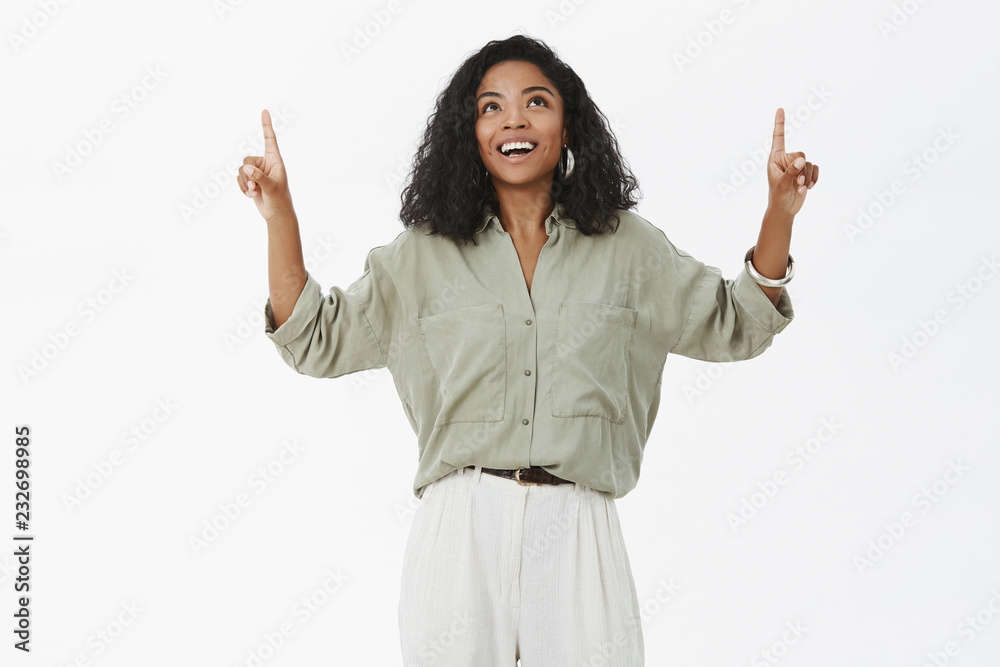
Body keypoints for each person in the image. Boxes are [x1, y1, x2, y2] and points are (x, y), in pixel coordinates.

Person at [236, 34, 817, 667]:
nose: (513, 120)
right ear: (470, 133)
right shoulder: (422, 256)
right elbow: (314, 338)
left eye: (536, 102)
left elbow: (738, 322)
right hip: (460, 529)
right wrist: (279, 214)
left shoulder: (628, 249)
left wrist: (780, 213)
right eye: (491, 107)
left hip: (580, 527)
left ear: (568, 126)